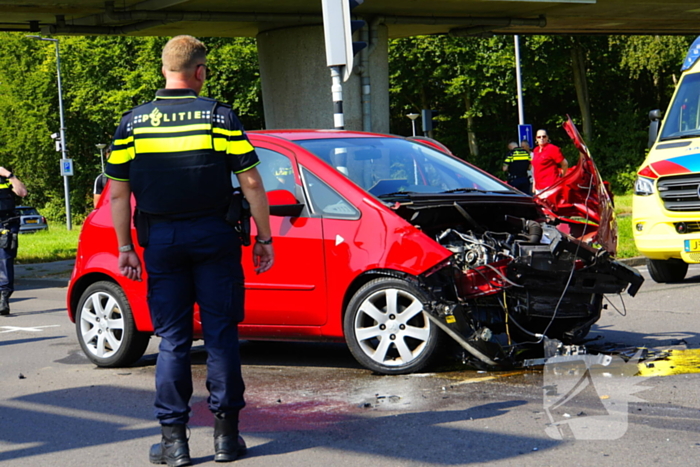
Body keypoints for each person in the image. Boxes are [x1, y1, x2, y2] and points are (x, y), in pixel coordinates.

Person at [106, 35, 274, 466]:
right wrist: (263, 238)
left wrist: (125, 247)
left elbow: (119, 195)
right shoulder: (219, 117)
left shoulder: (133, 123)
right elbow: (251, 183)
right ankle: (226, 439)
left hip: (161, 241)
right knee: (221, 337)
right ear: (199, 71)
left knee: (174, 341)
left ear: (164, 69)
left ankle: (174, 444)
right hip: (215, 236)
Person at [0, 167, 27, 316]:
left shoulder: (6, 179)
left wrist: (9, 175)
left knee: (5, 261)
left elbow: (22, 193)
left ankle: (4, 298)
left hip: (5, 224)